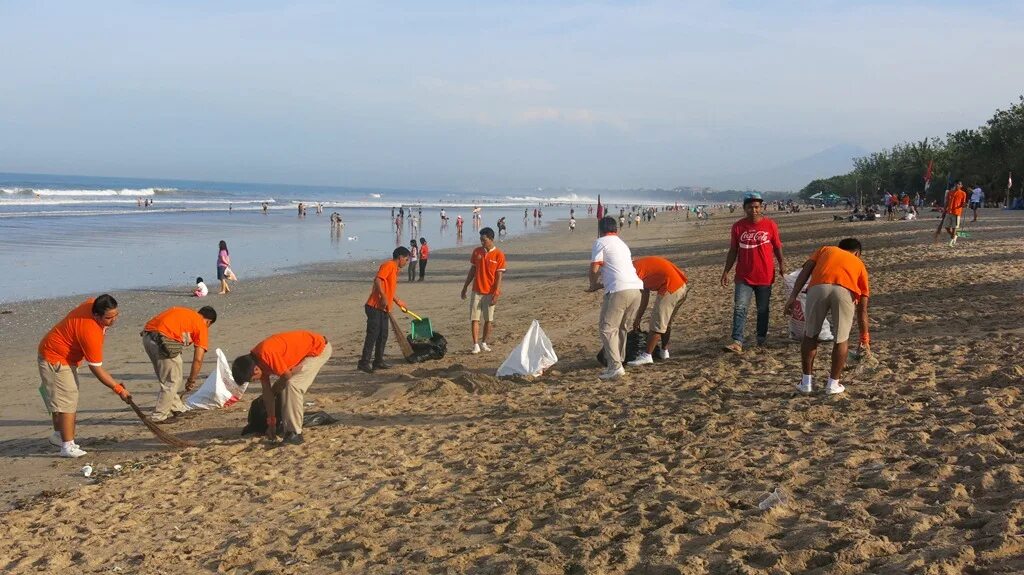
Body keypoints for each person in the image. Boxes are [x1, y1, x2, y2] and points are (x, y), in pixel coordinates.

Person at [37, 295, 132, 458]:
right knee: (67, 401)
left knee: (61, 397)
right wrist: (118, 389)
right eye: (109, 318)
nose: (114, 320)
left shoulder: (92, 303)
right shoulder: (90, 332)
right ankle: (67, 446)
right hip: (55, 358)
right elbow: (96, 369)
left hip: (60, 354)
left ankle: (59, 435)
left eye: (116, 314)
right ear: (96, 315)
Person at [784, 238, 870, 395]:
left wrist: (793, 296)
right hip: (845, 290)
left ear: (839, 248)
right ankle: (833, 384)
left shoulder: (826, 250)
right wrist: (865, 339)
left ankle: (806, 383)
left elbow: (805, 270)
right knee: (841, 339)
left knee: (810, 335)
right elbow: (862, 310)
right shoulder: (859, 264)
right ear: (857, 253)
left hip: (818, 287)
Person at [231, 330, 332, 444]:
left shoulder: (266, 353)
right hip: (304, 354)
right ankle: (287, 427)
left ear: (255, 370)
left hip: (319, 349)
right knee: (284, 389)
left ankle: (295, 434)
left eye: (253, 379)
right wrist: (271, 424)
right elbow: (268, 396)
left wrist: (275, 390)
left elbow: (286, 376)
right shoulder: (257, 363)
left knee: (292, 386)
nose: (256, 381)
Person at [721, 192, 786, 353]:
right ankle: (737, 341)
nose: (754, 210)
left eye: (756, 207)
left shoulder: (770, 225)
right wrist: (726, 271)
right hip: (743, 276)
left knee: (763, 309)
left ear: (761, 207)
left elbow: (777, 246)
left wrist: (782, 263)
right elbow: (733, 250)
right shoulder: (738, 227)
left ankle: (761, 339)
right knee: (740, 308)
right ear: (744, 208)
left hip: (765, 275)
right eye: (750, 207)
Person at [588, 216, 644, 380]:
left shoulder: (600, 242)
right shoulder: (623, 244)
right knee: (621, 328)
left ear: (601, 230)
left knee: (607, 328)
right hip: (636, 289)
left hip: (619, 290)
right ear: (616, 229)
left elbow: (595, 267)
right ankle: (619, 361)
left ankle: (615, 366)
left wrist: (593, 284)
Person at [141, 306, 217, 423]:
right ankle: (159, 416)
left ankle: (178, 408)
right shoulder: (201, 325)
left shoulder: (184, 312)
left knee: (168, 377)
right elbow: (198, 359)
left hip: (147, 336)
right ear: (208, 322)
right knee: (172, 381)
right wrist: (191, 380)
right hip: (163, 341)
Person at [627, 256, 689, 366]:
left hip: (670, 287)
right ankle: (664, 351)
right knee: (666, 322)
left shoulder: (632, 271)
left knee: (657, 322)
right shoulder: (639, 267)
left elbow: (643, 297)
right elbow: (644, 297)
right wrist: (638, 318)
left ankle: (647, 355)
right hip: (681, 285)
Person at [358, 247, 411, 374]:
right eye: (406, 259)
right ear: (400, 257)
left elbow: (390, 290)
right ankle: (364, 362)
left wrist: (399, 302)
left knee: (383, 335)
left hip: (384, 308)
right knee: (373, 335)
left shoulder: (395, 269)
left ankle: (378, 360)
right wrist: (382, 296)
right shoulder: (388, 265)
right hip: (374, 306)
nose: (407, 262)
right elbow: (377, 280)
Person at [461, 227, 507, 354]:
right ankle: (475, 344)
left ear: (491, 239)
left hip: (490, 292)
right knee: (474, 318)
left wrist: (496, 293)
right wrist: (465, 287)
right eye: (481, 240)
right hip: (476, 290)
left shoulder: (499, 254)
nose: (482, 243)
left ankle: (484, 342)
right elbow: (472, 271)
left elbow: (499, 276)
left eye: (484, 240)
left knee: (488, 319)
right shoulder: (477, 252)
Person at [938, 181, 968, 246]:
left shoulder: (963, 193)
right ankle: (954, 236)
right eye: (956, 184)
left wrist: (965, 205)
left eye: (959, 184)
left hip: (957, 213)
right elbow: (947, 202)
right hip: (949, 212)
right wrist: (944, 211)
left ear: (961, 186)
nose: (957, 185)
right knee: (946, 227)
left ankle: (951, 242)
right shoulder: (950, 192)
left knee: (954, 228)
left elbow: (963, 203)